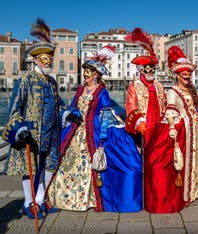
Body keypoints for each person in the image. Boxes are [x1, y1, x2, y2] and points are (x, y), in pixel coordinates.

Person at [47, 45, 143, 212]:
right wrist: (72, 113)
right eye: (85, 72)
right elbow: (72, 106)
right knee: (69, 162)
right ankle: (66, 196)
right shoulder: (80, 89)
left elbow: (106, 112)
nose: (86, 75)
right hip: (76, 130)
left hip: (93, 130)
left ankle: (91, 198)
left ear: (96, 75)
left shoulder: (102, 91)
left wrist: (103, 135)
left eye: (89, 72)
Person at [1, 18, 64, 219]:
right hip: (32, 134)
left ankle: (39, 199)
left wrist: (68, 113)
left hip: (51, 133)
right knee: (30, 168)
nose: (49, 62)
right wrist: (19, 129)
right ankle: (29, 203)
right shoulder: (26, 79)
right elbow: (15, 108)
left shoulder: (52, 82)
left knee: (49, 165)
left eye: (50, 59)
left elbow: (58, 104)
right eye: (45, 59)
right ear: (36, 60)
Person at [144, 46, 198, 213]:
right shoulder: (172, 91)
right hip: (186, 130)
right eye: (184, 75)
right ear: (176, 75)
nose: (187, 77)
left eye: (189, 74)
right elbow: (170, 110)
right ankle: (190, 190)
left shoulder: (194, 90)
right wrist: (171, 126)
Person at [124, 28, 166, 142]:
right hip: (143, 127)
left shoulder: (159, 85)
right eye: (148, 69)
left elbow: (165, 105)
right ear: (141, 70)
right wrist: (139, 122)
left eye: (153, 69)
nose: (151, 72)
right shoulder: (134, 86)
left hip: (159, 127)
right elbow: (131, 107)